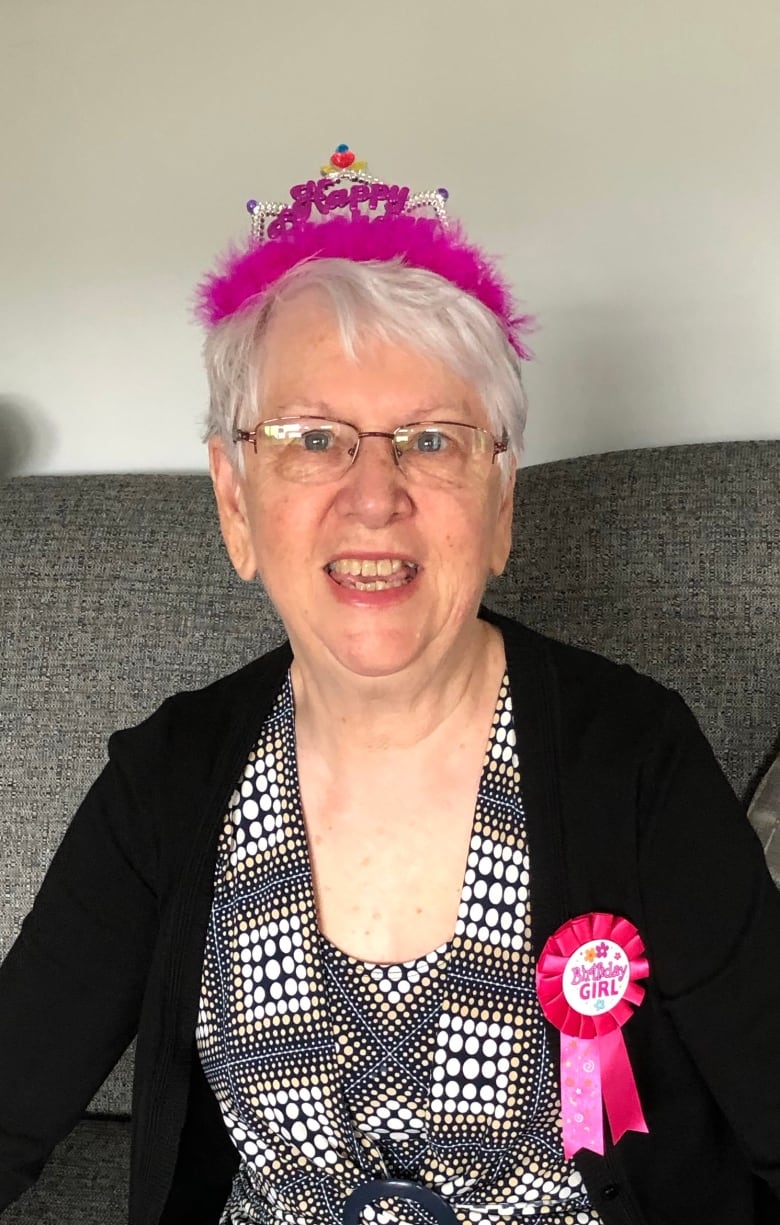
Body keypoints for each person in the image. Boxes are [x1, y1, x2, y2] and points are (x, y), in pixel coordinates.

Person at [1, 144, 779, 1225]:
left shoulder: (632, 756)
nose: (376, 498)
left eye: (431, 440)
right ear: (236, 500)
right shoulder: (165, 783)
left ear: (500, 502)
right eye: (313, 439)